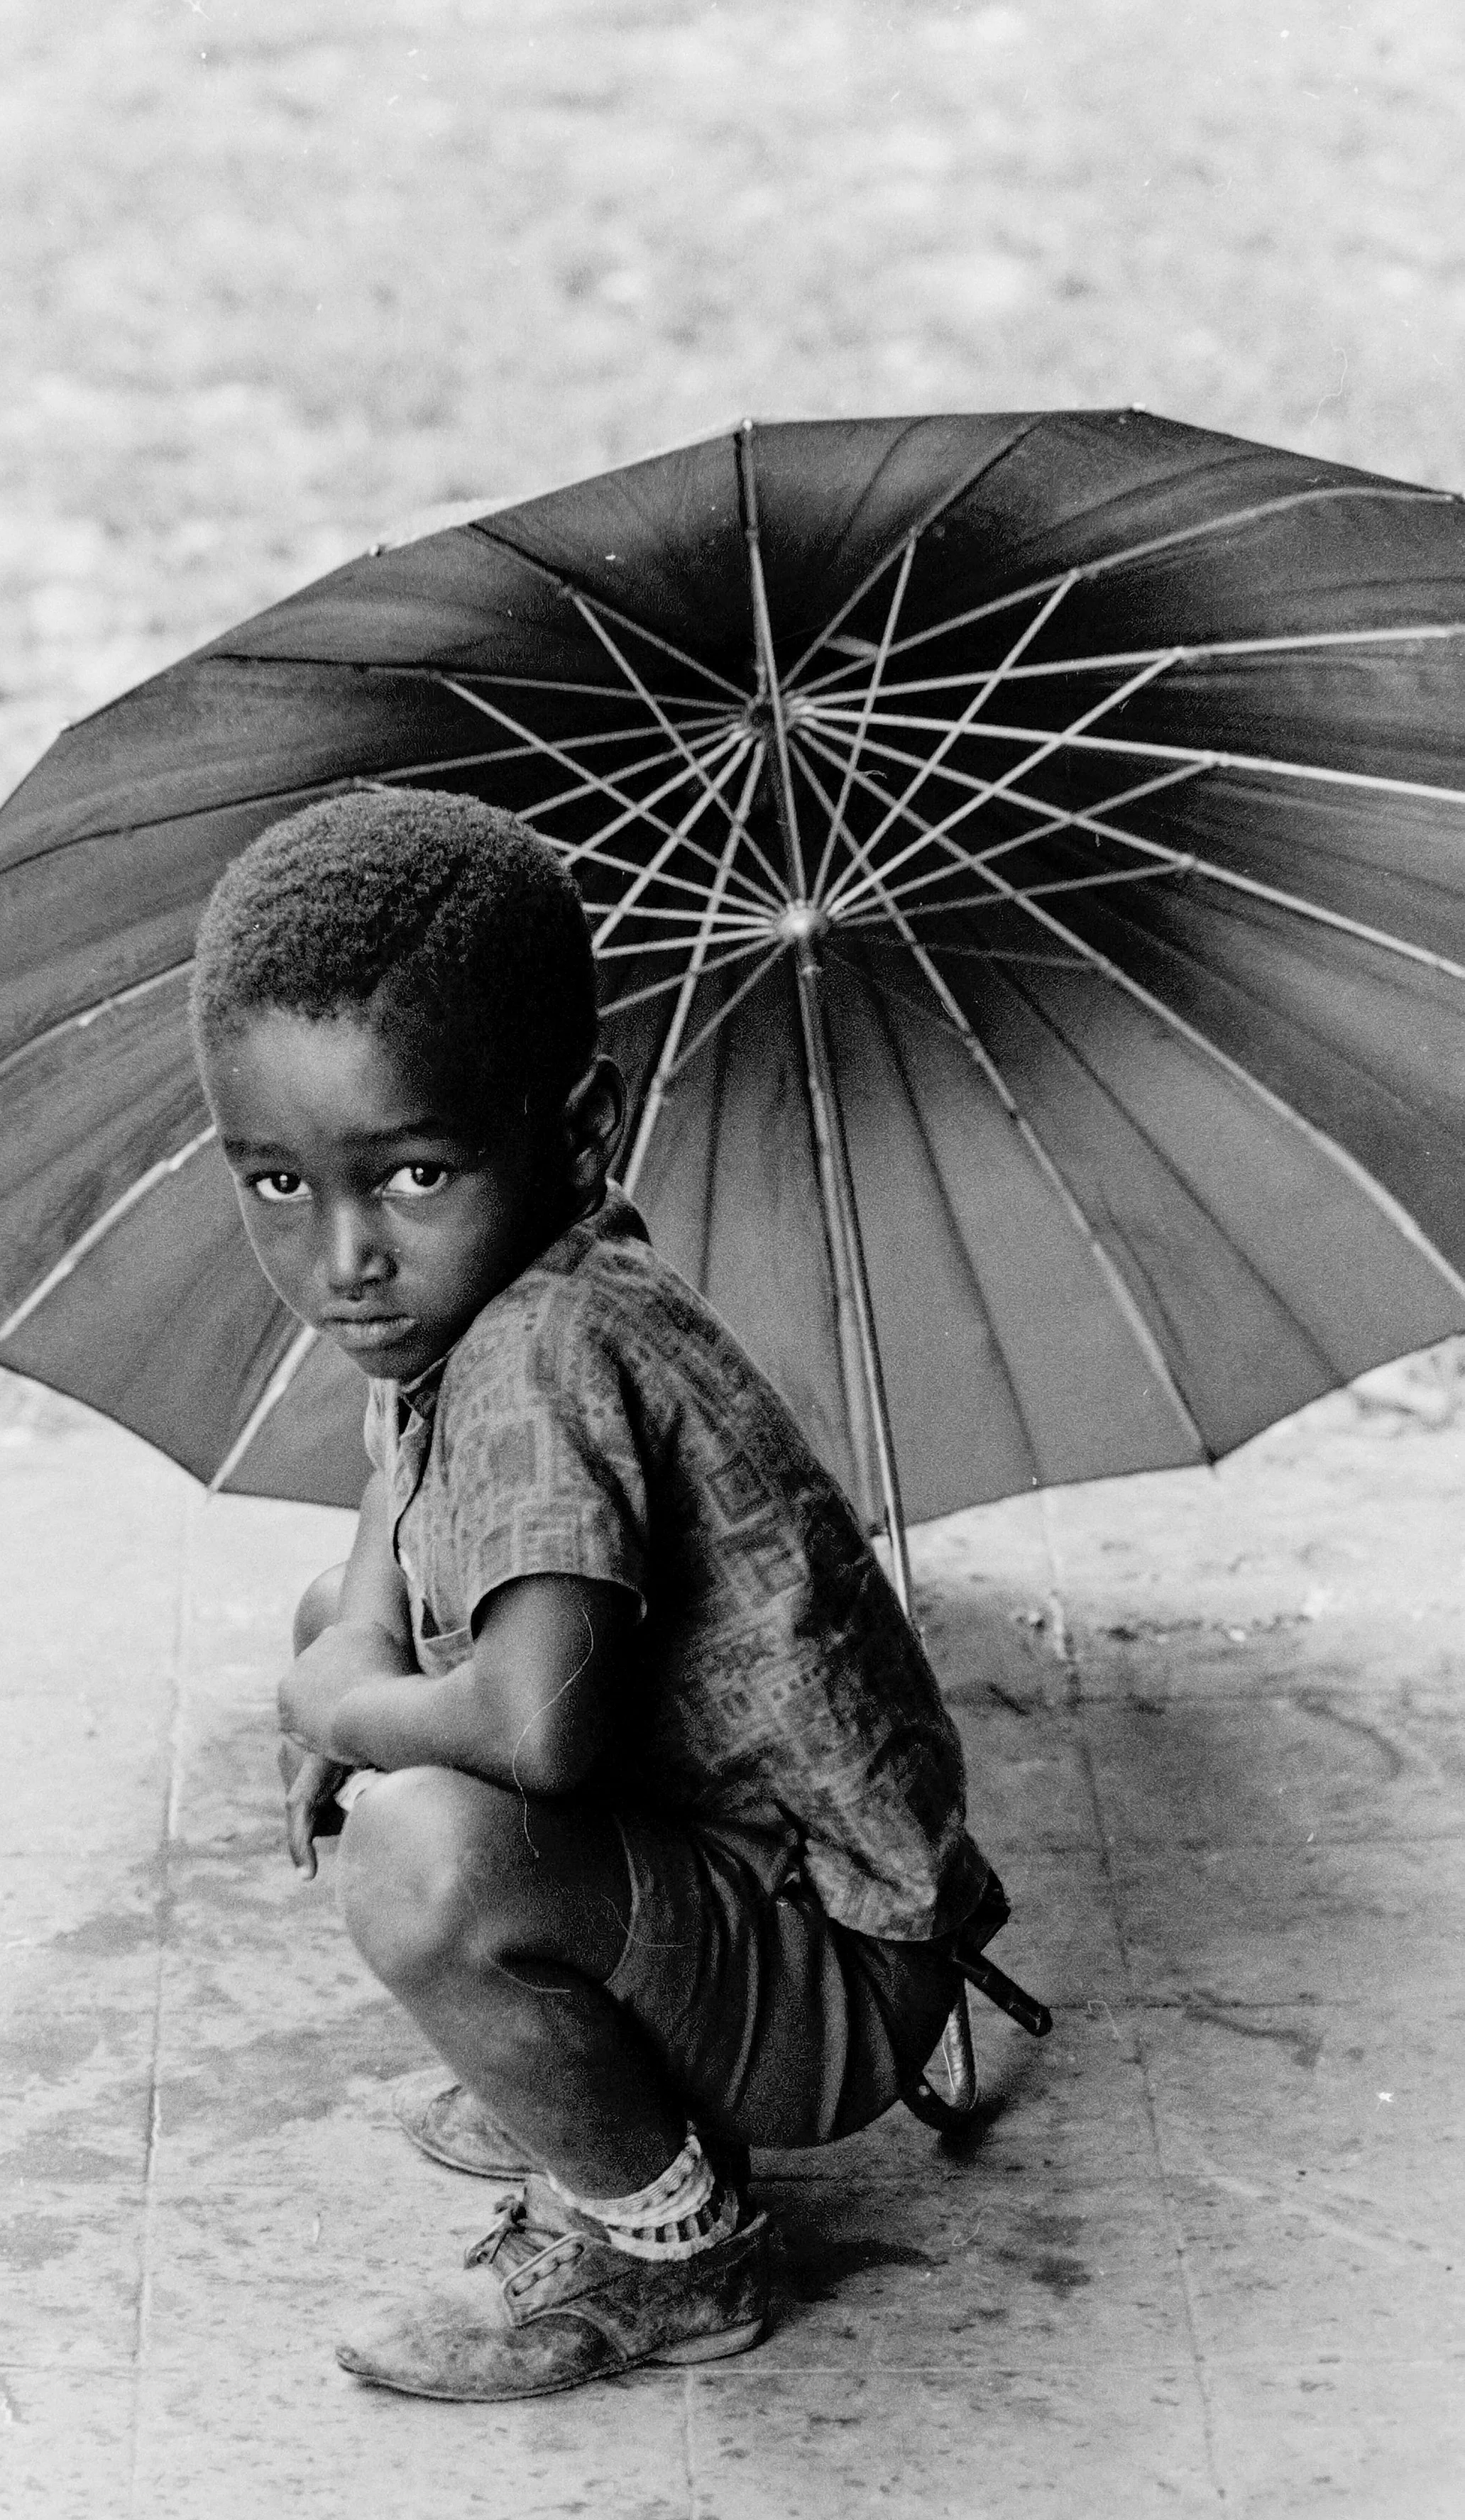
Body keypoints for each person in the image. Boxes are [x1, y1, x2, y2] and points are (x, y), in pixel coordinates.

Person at [190, 786, 996, 2403]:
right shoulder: (471, 1291)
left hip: (833, 1970)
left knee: (418, 1850)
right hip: (739, 1879)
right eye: (279, 1184)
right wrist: (336, 1650)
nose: (346, 1255)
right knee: (335, 1623)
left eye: (409, 1175)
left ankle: (667, 2246)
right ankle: (596, 2054)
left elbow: (539, 1735)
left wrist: (335, 1705)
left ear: (579, 1127)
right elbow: (387, 1501)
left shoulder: (544, 1359)